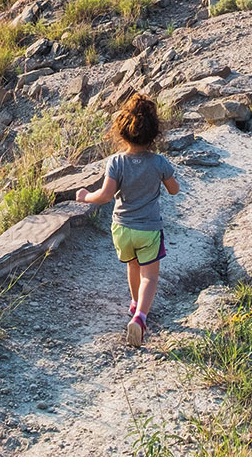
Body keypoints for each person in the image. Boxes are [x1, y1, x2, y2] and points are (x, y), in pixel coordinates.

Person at [74, 93, 179, 348]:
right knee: (150, 277)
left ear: (122, 131)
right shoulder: (159, 162)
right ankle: (140, 318)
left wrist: (86, 197)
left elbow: (106, 195)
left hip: (122, 228)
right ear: (154, 133)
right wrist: (164, 177)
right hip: (148, 230)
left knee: (132, 266)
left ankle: (134, 304)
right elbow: (174, 190)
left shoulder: (116, 162)